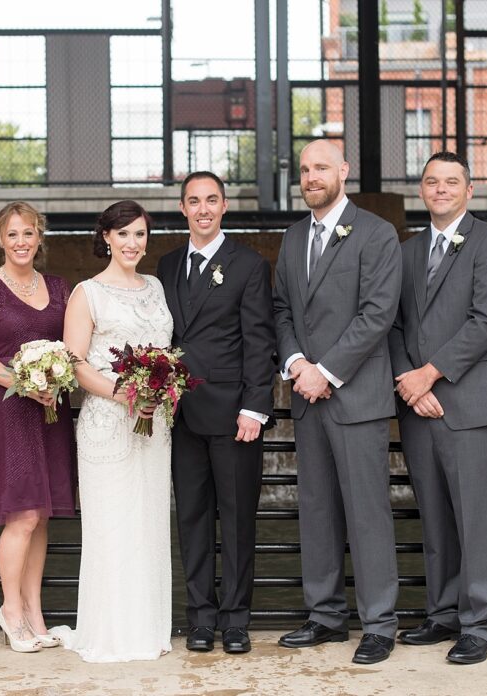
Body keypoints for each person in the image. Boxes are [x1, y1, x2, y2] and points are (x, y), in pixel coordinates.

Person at [272, 140, 402, 664]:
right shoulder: (294, 236)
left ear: (344, 171)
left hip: (355, 398)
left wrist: (325, 372)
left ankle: (379, 623)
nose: (311, 177)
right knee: (318, 511)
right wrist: (296, 364)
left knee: (368, 513)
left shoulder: (376, 233)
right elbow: (281, 309)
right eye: (304, 170)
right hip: (307, 396)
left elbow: (377, 313)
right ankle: (325, 616)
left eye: (321, 167)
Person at [389, 151, 487, 665]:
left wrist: (430, 374)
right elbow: (393, 324)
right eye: (431, 181)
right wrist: (410, 385)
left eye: (450, 182)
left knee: (479, 518)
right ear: (422, 190)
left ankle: (480, 624)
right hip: (418, 405)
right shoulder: (406, 251)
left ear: (470, 191)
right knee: (435, 514)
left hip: (469, 402)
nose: (440, 189)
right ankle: (442, 613)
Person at [155, 171, 275, 655]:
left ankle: (237, 620)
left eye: (211, 200)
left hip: (233, 416)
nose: (202, 209)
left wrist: (255, 407)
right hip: (179, 416)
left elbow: (259, 341)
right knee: (193, 518)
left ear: (224, 206)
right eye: (193, 201)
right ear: (182, 208)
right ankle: (201, 619)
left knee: (239, 518)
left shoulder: (247, 264)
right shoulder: (165, 266)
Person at [55, 200, 173, 663]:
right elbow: (75, 361)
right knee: (112, 526)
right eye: (123, 234)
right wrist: (124, 393)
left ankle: (148, 628)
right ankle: (112, 633)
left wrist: (159, 388)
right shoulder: (87, 293)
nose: (132, 243)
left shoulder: (157, 287)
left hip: (155, 422)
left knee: (148, 522)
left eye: (140, 234)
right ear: (105, 237)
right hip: (108, 421)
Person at [0, 202, 76, 652]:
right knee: (23, 513)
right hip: (8, 408)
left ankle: (34, 612)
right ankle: (10, 610)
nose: (21, 242)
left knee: (40, 514)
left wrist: (56, 379)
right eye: (12, 235)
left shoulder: (60, 288)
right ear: (0, 239)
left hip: (50, 409)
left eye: (28, 233)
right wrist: (23, 384)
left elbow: (71, 347)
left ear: (39, 237)